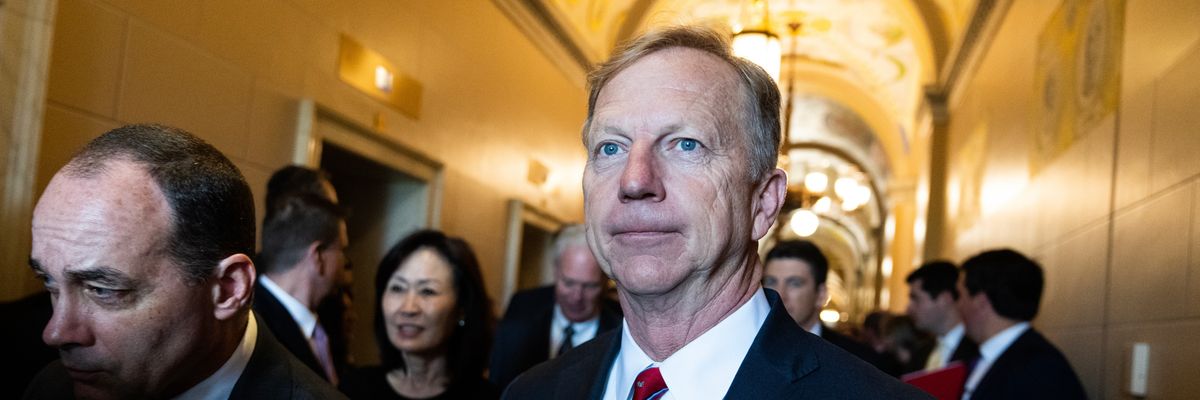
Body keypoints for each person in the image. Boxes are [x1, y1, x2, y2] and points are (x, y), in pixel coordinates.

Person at [503, 26, 929, 399]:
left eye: (687, 144)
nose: (634, 181)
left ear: (763, 202)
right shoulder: (532, 391)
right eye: (610, 148)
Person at [23, 124, 344, 399]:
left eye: (102, 289)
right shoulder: (51, 388)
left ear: (229, 288)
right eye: (49, 283)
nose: (56, 332)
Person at [341, 230, 498, 399]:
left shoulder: (489, 397)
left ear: (462, 308)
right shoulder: (354, 389)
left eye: (427, 291)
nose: (408, 308)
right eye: (397, 288)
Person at [489, 224, 622, 390]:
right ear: (556, 271)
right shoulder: (522, 307)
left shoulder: (622, 327)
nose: (576, 296)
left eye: (589, 286)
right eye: (568, 283)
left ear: (604, 282)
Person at [957, 249, 1086, 400]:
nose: (957, 305)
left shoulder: (1041, 369)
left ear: (981, 302)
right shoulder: (987, 357)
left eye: (960, 296)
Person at [763, 240, 901, 376]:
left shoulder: (860, 362)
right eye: (770, 282)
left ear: (821, 295)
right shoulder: (747, 348)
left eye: (795, 283)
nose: (779, 295)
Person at [254, 192, 351, 385]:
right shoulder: (251, 326)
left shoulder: (329, 319)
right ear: (318, 256)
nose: (344, 262)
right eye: (342, 250)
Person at [905, 261, 979, 372]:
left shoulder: (977, 352)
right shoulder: (921, 354)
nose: (908, 308)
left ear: (944, 298)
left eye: (915, 298)